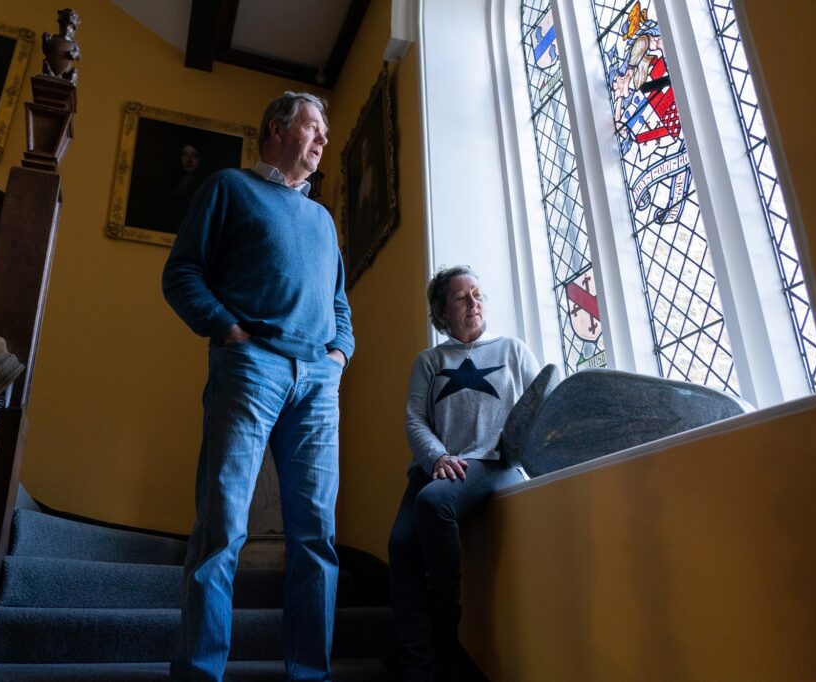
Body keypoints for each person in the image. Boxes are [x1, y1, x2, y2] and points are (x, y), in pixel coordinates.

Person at [163, 91, 354, 681]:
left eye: (324, 132)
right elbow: (182, 273)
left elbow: (339, 303)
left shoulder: (322, 219)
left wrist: (339, 355)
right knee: (222, 527)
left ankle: (309, 674)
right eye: (313, 127)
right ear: (277, 128)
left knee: (316, 537)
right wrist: (229, 331)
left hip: (317, 382)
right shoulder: (229, 188)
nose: (323, 139)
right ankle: (200, 673)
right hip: (251, 369)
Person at [388, 266, 540, 681]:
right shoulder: (430, 360)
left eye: (477, 294)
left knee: (433, 502)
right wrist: (436, 457)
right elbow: (414, 419)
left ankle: (445, 633)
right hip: (436, 464)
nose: (473, 303)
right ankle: (415, 665)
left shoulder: (513, 350)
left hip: (491, 462)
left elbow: (542, 408)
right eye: (461, 297)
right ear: (443, 311)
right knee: (400, 545)